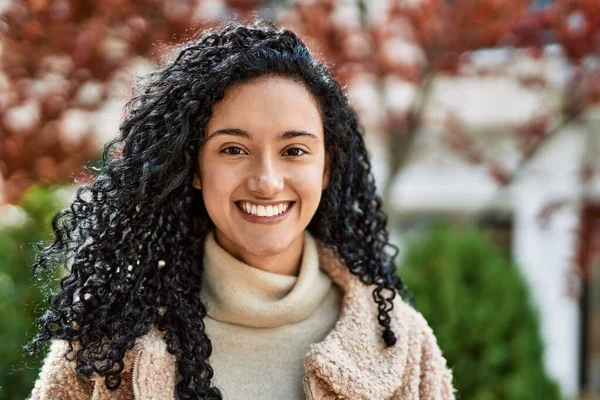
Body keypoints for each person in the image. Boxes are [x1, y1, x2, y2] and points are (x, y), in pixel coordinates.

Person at [27, 19, 456, 400]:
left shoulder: (402, 345)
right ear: (193, 166)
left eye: (294, 150)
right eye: (233, 149)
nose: (267, 181)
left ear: (327, 168)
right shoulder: (105, 345)